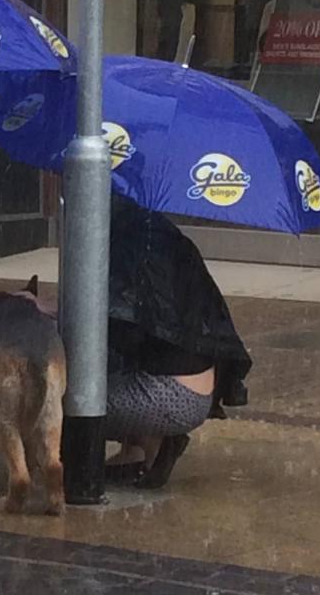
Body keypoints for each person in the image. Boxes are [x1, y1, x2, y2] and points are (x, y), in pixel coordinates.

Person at [103, 195, 251, 489]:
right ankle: (138, 451)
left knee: (67, 397)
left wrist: (61, 311)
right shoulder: (163, 237)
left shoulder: (131, 246)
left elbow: (121, 331)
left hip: (167, 395)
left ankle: (143, 443)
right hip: (200, 390)